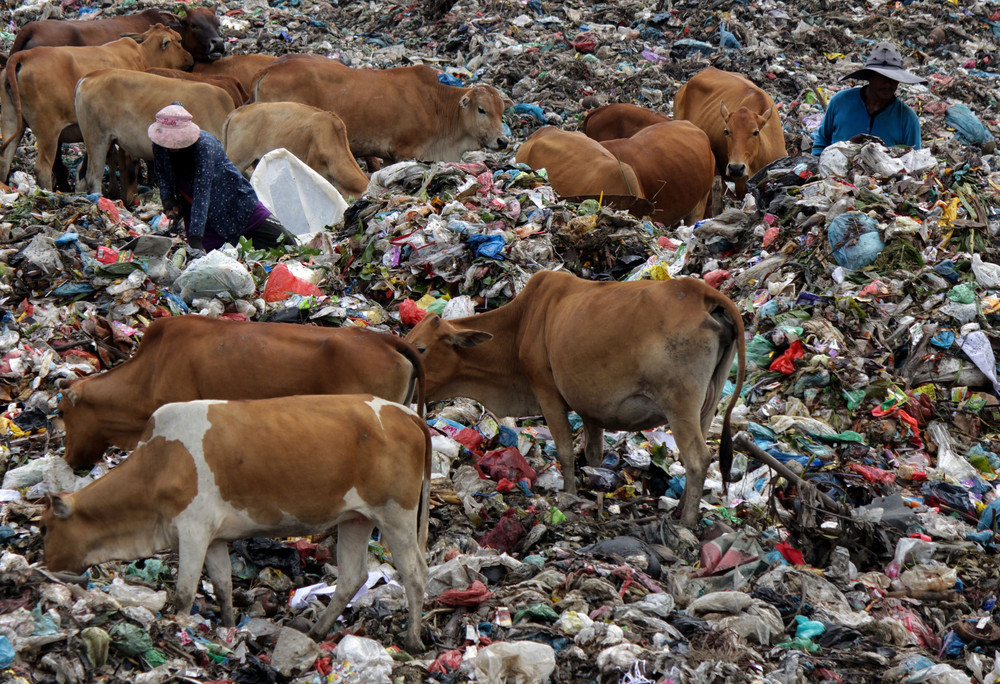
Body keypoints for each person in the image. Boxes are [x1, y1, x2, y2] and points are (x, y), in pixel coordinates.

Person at [148, 103, 296, 254]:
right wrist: (168, 200)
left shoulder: (204, 146)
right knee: (210, 262)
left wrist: (195, 237)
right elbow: (162, 175)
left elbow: (202, 191)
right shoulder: (159, 146)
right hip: (201, 217)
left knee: (287, 246)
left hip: (236, 204)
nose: (171, 145)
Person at [812, 41, 928, 156]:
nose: (888, 84)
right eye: (883, 77)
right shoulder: (840, 102)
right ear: (869, 76)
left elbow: (913, 161)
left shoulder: (907, 118)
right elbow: (822, 141)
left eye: (894, 78)